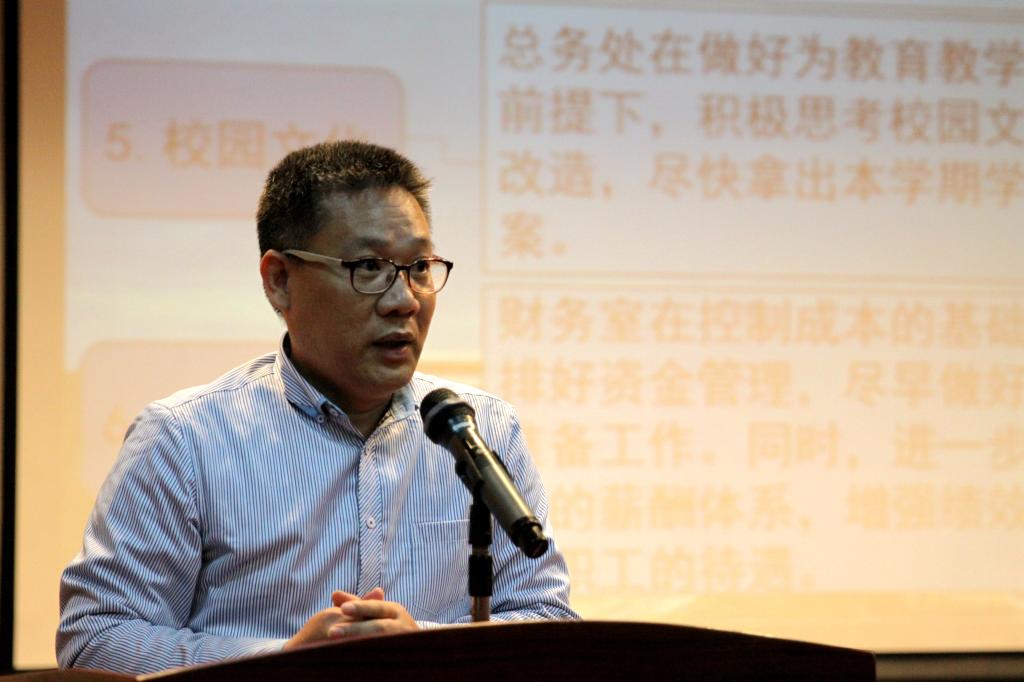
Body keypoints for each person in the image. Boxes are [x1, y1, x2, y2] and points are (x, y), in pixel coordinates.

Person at [57, 140, 577, 674]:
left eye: (419, 266)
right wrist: (284, 662)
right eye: (369, 266)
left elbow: (550, 620)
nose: (404, 299)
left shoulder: (480, 429)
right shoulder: (184, 440)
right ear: (279, 280)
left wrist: (420, 646)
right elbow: (95, 641)